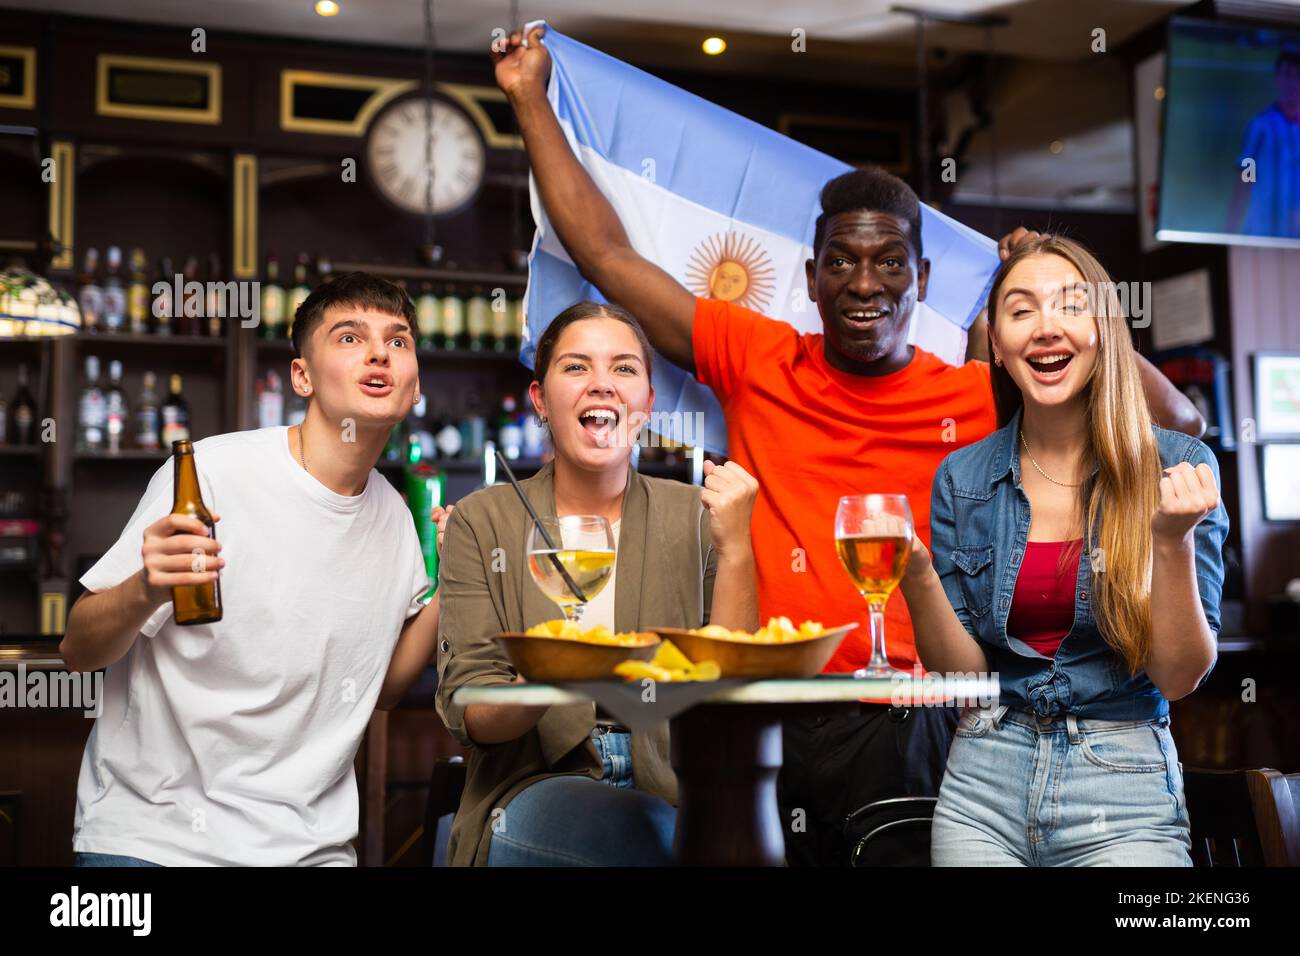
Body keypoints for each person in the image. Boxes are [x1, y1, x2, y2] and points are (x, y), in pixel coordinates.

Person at [492, 24, 1208, 866]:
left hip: (907, 716)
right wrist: (530, 97)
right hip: (767, 704)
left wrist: (1053, 292)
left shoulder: (979, 391)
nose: (865, 284)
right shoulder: (759, 357)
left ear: (924, 279)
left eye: (890, 263)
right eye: (842, 262)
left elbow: (1174, 423)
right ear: (811, 279)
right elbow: (608, 257)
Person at [60, 272, 444, 866]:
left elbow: (385, 690)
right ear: (302, 376)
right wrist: (144, 588)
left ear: (415, 384)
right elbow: (78, 650)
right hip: (156, 841)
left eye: (398, 341)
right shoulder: (212, 475)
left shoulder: (395, 518)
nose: (378, 353)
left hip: (310, 851)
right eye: (349, 337)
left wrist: (456, 582)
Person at [895, 236, 1228, 865]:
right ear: (997, 344)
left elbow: (1179, 678)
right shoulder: (961, 478)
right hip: (982, 784)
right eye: (1021, 312)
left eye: (1070, 307)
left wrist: (1170, 541)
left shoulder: (1179, 465)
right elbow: (963, 679)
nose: (1046, 328)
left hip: (1124, 784)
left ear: (1103, 329)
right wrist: (915, 574)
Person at [434, 301, 759, 866]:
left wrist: (736, 549)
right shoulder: (482, 519)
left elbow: (729, 695)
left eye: (624, 369)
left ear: (648, 406)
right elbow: (473, 714)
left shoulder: (697, 513)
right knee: (649, 836)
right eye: (577, 367)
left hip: (676, 786)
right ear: (539, 399)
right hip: (531, 791)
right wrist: (546, 675)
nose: (603, 384)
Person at [1226, 41, 1300, 239]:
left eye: (1297, 76)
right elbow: (1246, 176)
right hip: (1263, 233)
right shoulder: (1261, 126)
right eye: (1287, 75)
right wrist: (1230, 230)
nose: (1293, 83)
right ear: (1277, 79)